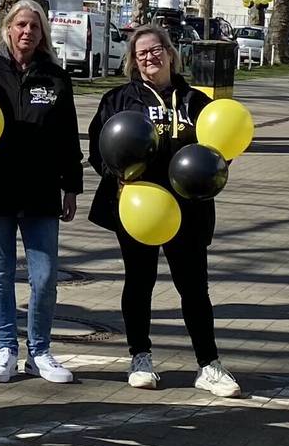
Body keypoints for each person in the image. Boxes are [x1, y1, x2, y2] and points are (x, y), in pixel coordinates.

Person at [87, 25, 241, 398]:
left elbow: (219, 151)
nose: (150, 58)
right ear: (132, 61)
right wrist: (118, 177)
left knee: (194, 287)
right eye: (141, 54)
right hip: (140, 207)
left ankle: (209, 364)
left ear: (171, 54)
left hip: (188, 209)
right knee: (139, 282)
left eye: (156, 50)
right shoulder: (118, 100)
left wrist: (213, 171)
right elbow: (98, 150)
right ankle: (140, 356)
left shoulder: (197, 102)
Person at [0, 0, 82, 384]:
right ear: (7, 30)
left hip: (41, 190)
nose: (27, 33)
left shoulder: (55, 78)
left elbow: (68, 135)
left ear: (43, 34)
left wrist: (72, 186)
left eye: (34, 27)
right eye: (20, 25)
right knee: (0, 273)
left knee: (45, 275)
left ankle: (40, 351)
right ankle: (6, 348)